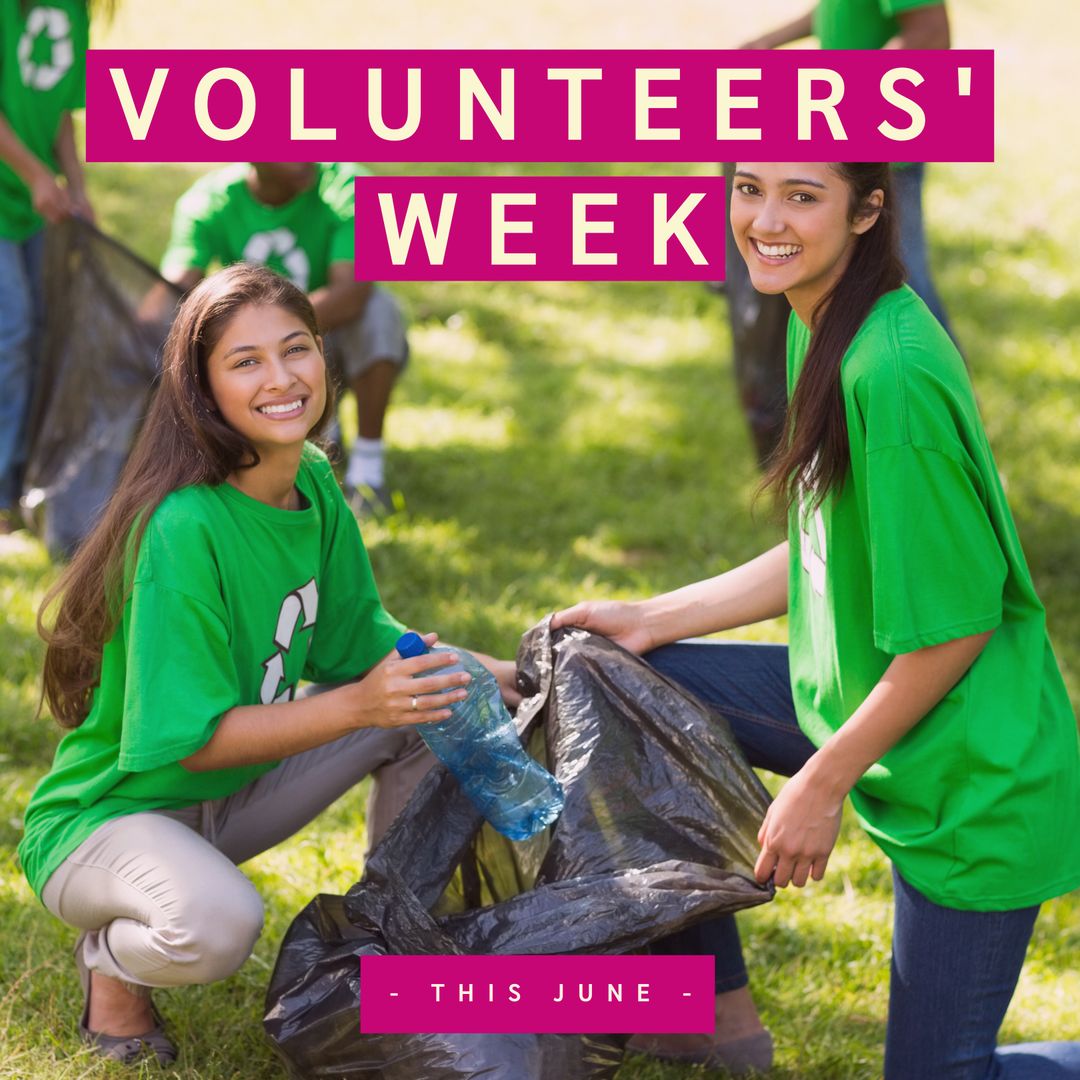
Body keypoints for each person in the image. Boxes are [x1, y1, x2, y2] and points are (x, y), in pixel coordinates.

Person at [554, 163, 1080, 1078]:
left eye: (803, 195)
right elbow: (821, 545)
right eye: (749, 188)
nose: (765, 220)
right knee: (627, 682)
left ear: (870, 210)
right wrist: (648, 617)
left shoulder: (893, 372)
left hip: (968, 771)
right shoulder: (821, 318)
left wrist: (820, 784)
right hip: (855, 705)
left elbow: (955, 631)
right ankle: (709, 1017)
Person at [18, 264, 516, 1065]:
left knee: (434, 700)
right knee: (216, 927)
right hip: (111, 821)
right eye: (245, 362)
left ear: (325, 354)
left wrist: (513, 665)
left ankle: (390, 944)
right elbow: (196, 743)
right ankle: (110, 969)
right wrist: (360, 707)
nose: (281, 379)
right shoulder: (184, 526)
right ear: (201, 389)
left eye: (296, 350)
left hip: (229, 800)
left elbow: (366, 643)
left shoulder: (314, 481)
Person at [725, 0, 956, 464]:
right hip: (842, 141)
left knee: (904, 287)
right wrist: (770, 41)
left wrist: (849, 105)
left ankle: (944, 422)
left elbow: (930, 33)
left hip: (879, 144)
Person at [159, 161, 407, 514]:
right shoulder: (209, 201)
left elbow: (352, 293)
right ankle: (314, 433)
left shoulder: (346, 187)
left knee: (380, 310)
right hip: (265, 353)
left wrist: (271, 331)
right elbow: (173, 288)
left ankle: (367, 469)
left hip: (331, 338)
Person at [0, 0, 96, 535]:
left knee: (43, 337)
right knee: (10, 332)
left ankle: (23, 481)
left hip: (33, 206)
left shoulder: (75, 10)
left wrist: (76, 190)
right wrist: (38, 176)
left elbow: (61, 112)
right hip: (15, 190)